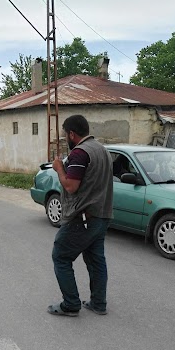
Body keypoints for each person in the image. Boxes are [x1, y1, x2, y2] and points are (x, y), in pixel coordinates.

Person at [48, 114, 114, 317]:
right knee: (95, 259)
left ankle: (71, 304)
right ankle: (98, 303)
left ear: (72, 134)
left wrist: (59, 169)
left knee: (60, 256)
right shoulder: (102, 150)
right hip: (101, 215)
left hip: (83, 218)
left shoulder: (79, 153)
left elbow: (71, 185)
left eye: (65, 135)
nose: (65, 139)